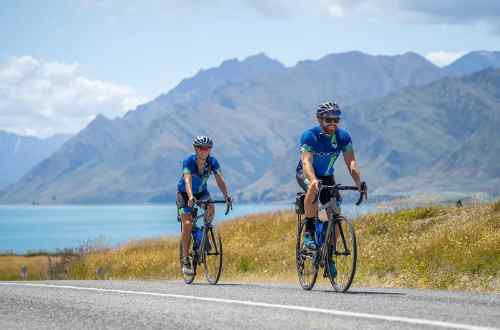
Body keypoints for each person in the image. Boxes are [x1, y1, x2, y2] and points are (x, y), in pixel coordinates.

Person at [296, 101, 363, 255]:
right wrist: (312, 180)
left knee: (336, 214)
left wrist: (359, 183)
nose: (333, 123)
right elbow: (306, 161)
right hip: (306, 172)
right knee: (312, 191)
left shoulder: (343, 137)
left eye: (336, 120)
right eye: (328, 120)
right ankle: (309, 234)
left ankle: (330, 253)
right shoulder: (310, 136)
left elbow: (351, 163)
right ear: (319, 119)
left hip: (327, 176)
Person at [176, 136, 232, 276]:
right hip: (184, 193)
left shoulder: (212, 162)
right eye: (201, 148)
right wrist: (190, 197)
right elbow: (187, 181)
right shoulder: (188, 161)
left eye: (208, 148)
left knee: (211, 207)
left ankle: (202, 235)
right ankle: (185, 260)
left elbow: (220, 180)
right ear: (196, 149)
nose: (205, 151)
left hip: (201, 192)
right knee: (187, 223)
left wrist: (226, 196)